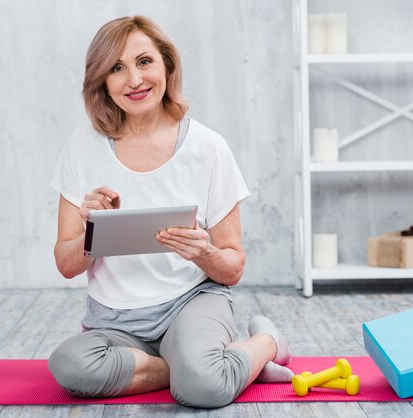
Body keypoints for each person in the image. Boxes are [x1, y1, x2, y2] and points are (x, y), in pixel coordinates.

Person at [48, 15, 293, 408]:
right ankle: (191, 364)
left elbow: (232, 267)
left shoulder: (208, 148)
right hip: (115, 320)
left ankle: (265, 342)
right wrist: (92, 232)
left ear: (166, 65)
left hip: (190, 302)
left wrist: (204, 252)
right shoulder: (81, 147)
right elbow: (65, 263)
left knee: (203, 390)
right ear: (102, 81)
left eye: (144, 62)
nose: (134, 80)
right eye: (116, 68)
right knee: (69, 366)